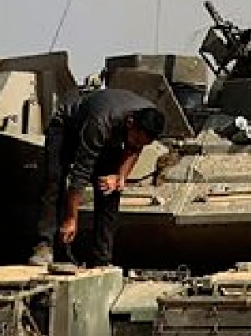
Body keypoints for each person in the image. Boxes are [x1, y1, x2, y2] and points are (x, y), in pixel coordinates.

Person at [29, 88, 165, 266]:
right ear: (131, 123)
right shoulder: (100, 123)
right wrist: (71, 219)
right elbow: (80, 173)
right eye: (138, 139)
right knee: (54, 181)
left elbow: (134, 148)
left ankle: (102, 258)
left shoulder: (148, 118)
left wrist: (119, 177)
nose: (139, 144)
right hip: (67, 129)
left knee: (109, 190)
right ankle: (44, 244)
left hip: (110, 135)